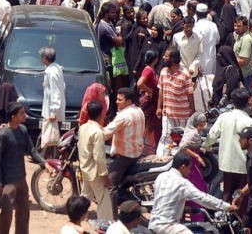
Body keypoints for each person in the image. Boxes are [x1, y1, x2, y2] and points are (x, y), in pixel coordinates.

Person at [148, 152, 236, 233]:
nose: (189, 171)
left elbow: (165, 197)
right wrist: (227, 206)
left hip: (153, 223)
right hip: (168, 226)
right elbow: (203, 198)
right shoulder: (182, 183)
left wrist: (183, 208)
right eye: (189, 168)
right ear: (182, 167)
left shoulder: (161, 177)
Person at [0, 102, 48, 234]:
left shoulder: (22, 130)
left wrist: (44, 163)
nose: (25, 115)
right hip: (8, 182)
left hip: (21, 180)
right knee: (6, 215)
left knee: (23, 214)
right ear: (13, 117)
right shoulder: (3, 135)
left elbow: (32, 150)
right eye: (22, 113)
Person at [205, 88, 252, 203]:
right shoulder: (250, 122)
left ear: (233, 102)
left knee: (227, 195)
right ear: (248, 101)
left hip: (226, 164)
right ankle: (240, 219)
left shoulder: (223, 117)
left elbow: (212, 136)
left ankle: (226, 218)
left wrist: (204, 146)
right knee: (241, 197)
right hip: (243, 165)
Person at [103, 87, 145, 216]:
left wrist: (89, 133)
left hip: (124, 156)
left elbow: (106, 133)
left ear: (128, 101)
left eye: (119, 99)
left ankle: (111, 218)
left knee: (109, 186)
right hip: (136, 153)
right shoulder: (138, 111)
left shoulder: (124, 116)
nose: (116, 102)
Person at [77, 100, 112, 220]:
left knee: (85, 196)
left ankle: (75, 218)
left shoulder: (83, 128)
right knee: (103, 200)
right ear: (101, 114)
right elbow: (99, 157)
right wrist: (105, 176)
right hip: (95, 172)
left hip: (85, 169)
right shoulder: (98, 132)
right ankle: (105, 227)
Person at [156, 49, 194, 156]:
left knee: (181, 140)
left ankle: (178, 162)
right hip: (167, 114)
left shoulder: (185, 74)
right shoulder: (163, 72)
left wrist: (192, 110)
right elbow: (161, 91)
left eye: (166, 56)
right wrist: (159, 107)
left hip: (182, 115)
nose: (163, 57)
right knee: (166, 137)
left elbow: (190, 94)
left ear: (173, 59)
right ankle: (161, 160)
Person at [40, 47, 65, 151]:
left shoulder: (52, 72)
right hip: (51, 110)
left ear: (45, 58)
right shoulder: (55, 69)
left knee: (51, 138)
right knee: (49, 137)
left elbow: (56, 92)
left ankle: (50, 162)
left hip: (52, 112)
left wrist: (53, 111)